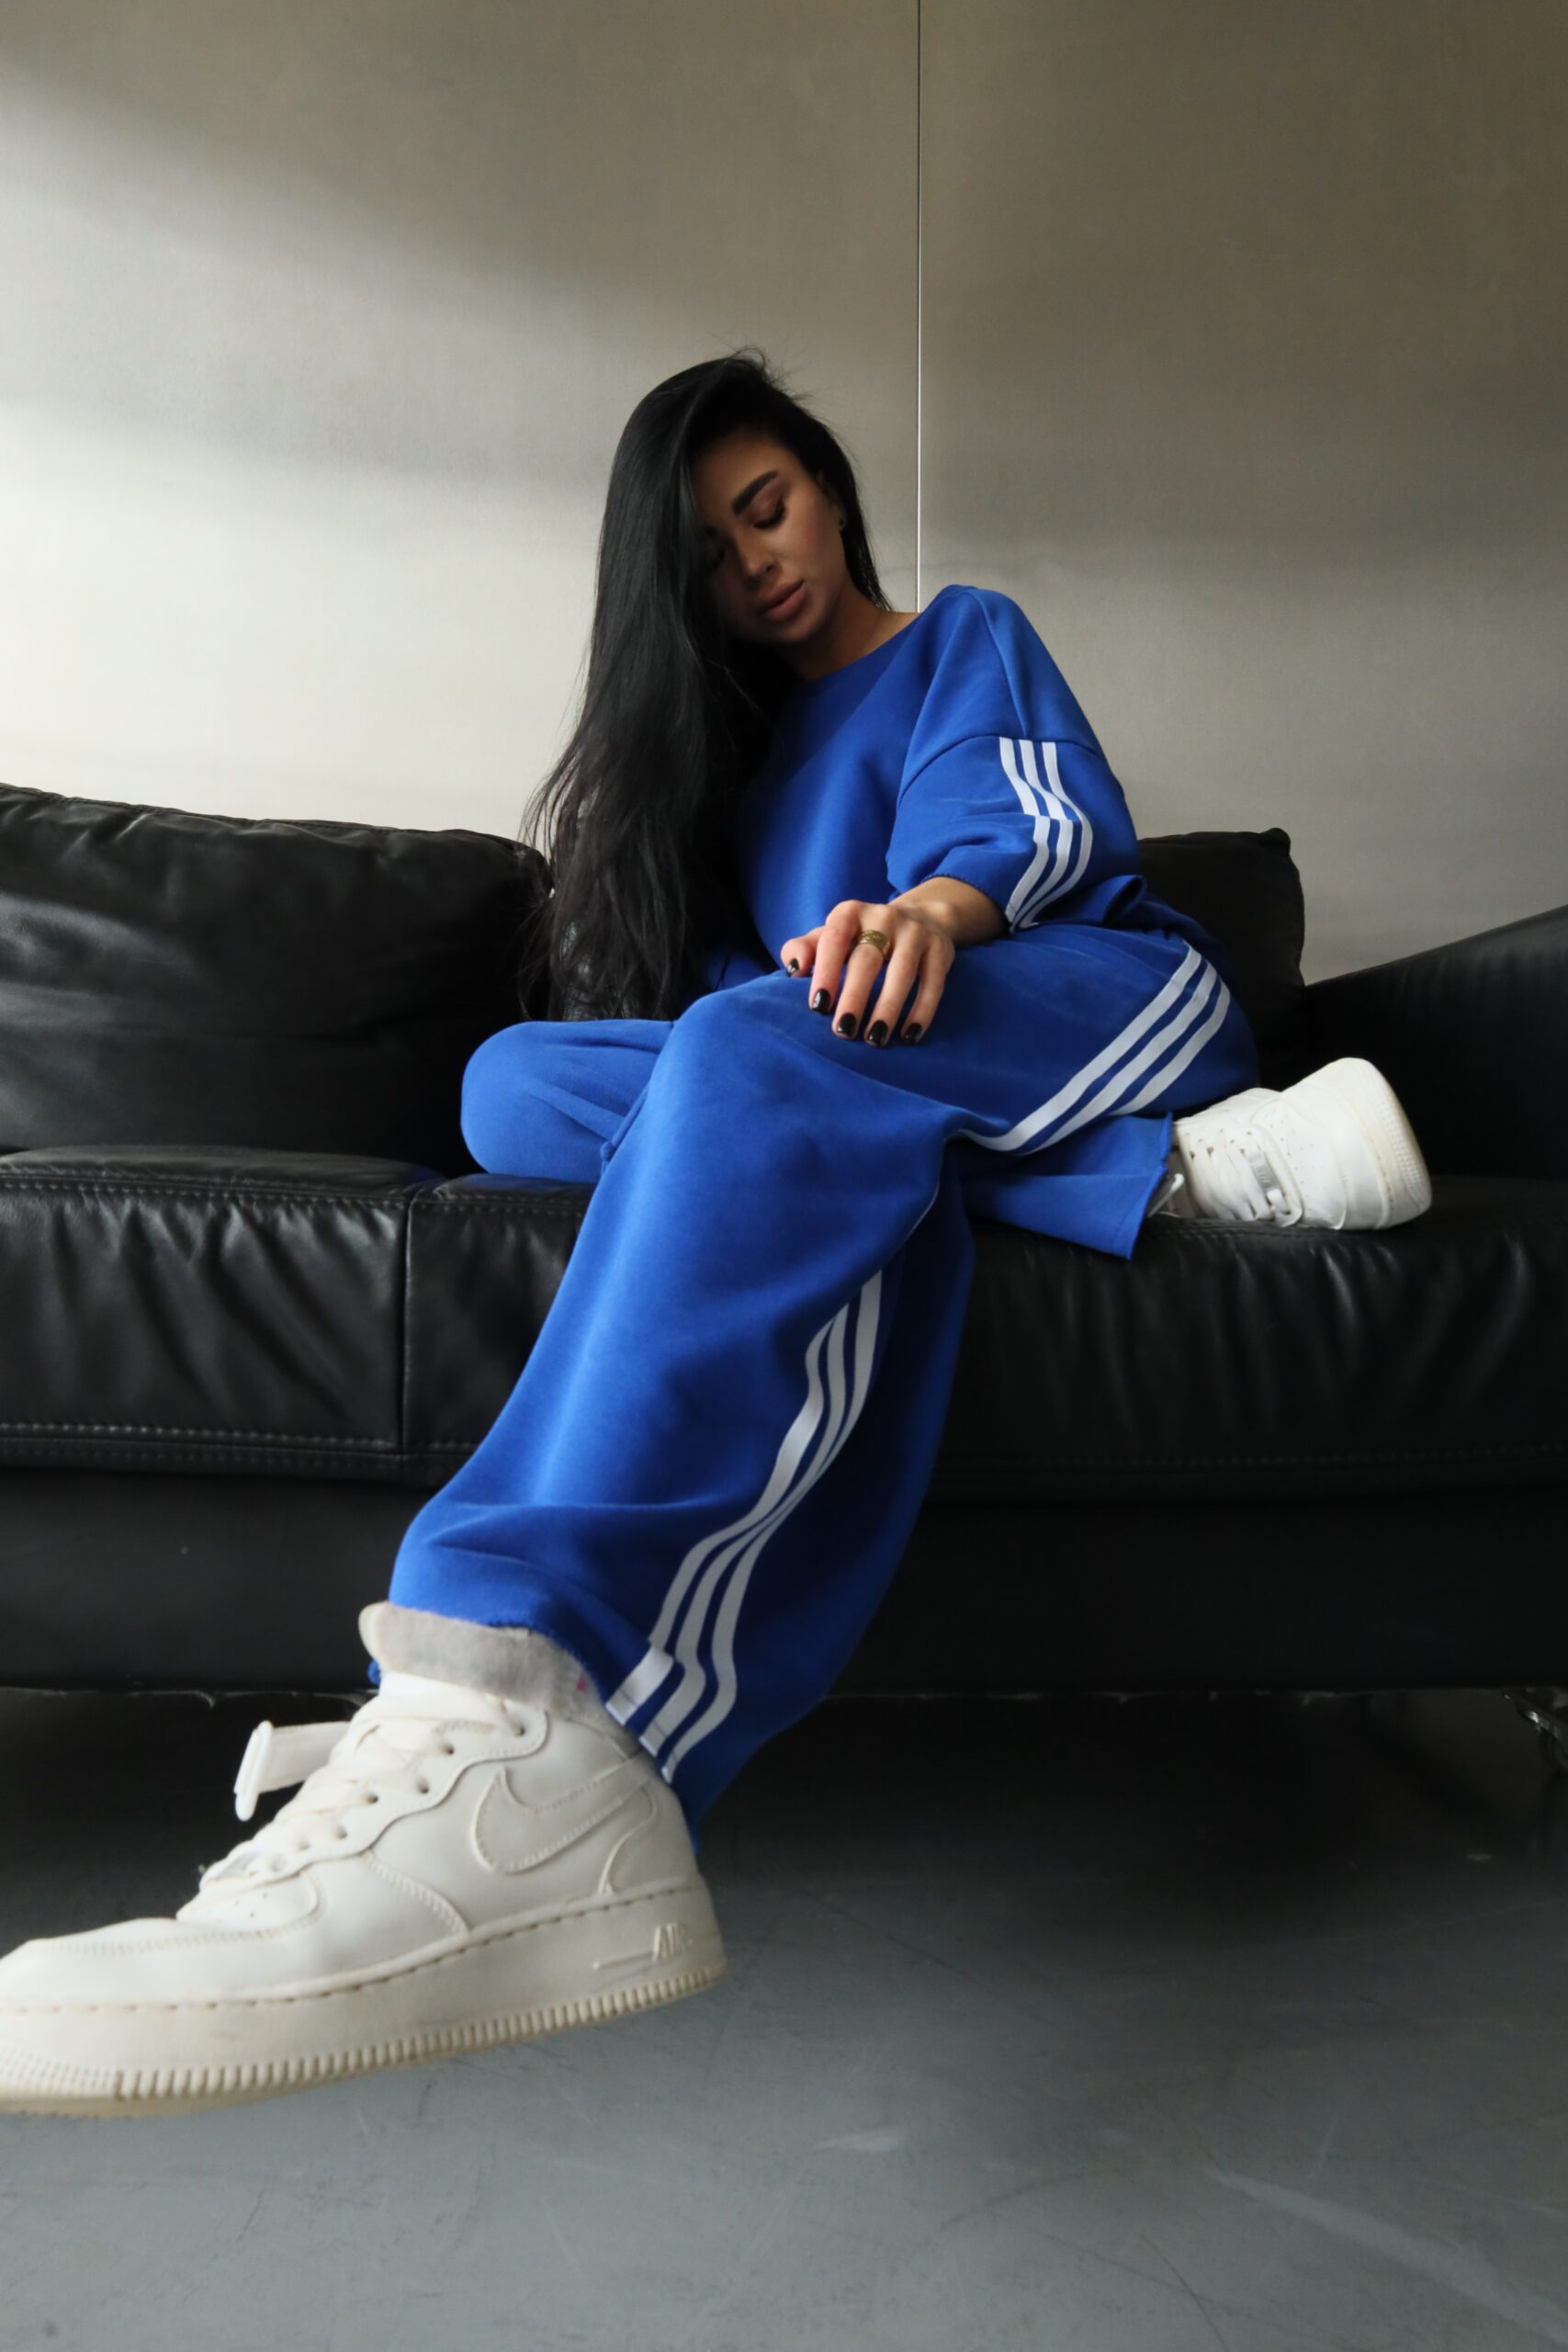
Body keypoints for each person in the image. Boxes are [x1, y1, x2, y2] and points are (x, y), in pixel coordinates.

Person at [0, 349, 1431, 2118]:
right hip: (866, 1072)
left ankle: (520, 1709)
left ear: (829, 486)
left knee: (759, 1054)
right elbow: (727, 1055)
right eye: (711, 553)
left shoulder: (954, 638)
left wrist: (929, 913)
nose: (759, 561)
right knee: (518, 1082)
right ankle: (1170, 1179)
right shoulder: (742, 776)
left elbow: (1032, 822)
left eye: (770, 507)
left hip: (1076, 1000)